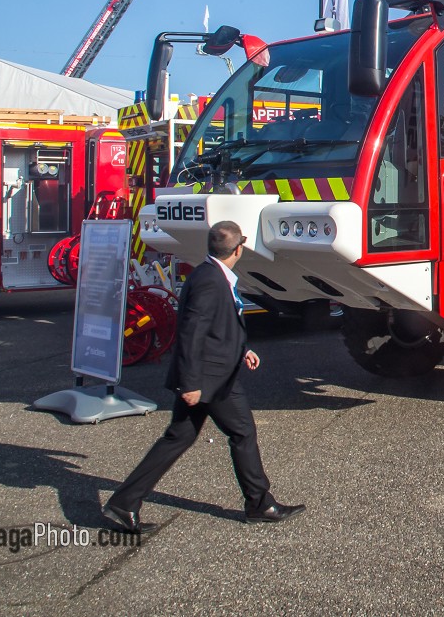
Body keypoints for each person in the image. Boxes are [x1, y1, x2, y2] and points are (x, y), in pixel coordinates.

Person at [103, 221, 304, 533]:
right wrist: (191, 382)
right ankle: (260, 504)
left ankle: (124, 502)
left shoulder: (207, 273)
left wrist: (241, 350)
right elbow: (192, 331)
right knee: (243, 433)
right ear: (238, 249)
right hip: (211, 380)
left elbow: (214, 327)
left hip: (208, 374)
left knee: (177, 438)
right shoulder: (211, 280)